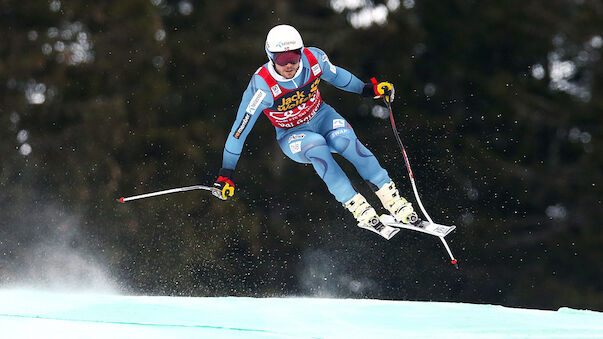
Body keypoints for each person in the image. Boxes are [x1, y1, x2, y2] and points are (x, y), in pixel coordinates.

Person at [213, 24, 417, 239]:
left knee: (346, 141)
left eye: (294, 56)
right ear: (271, 57)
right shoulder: (261, 87)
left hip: (322, 117)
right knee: (317, 147)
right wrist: (226, 173)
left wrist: (368, 89)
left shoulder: (314, 59)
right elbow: (239, 131)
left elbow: (339, 77)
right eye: (282, 59)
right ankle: (358, 206)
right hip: (292, 134)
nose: (290, 64)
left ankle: (392, 200)